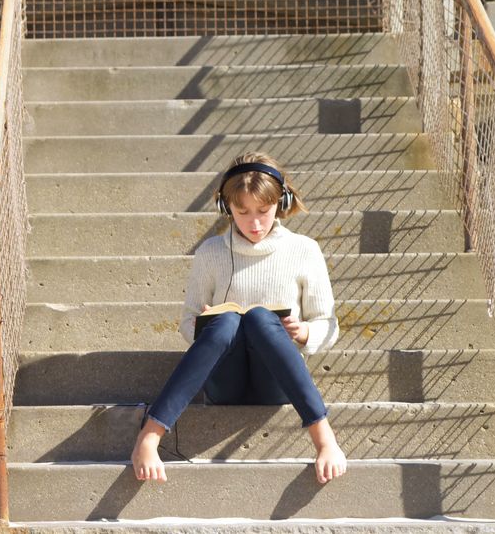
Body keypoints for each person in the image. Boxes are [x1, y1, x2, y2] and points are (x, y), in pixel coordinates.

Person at [130, 152, 348, 485]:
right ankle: (149, 437)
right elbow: (188, 320)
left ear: (282, 202)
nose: (255, 222)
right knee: (228, 321)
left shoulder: (304, 250)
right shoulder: (211, 253)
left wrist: (303, 332)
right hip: (224, 381)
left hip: (277, 380)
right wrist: (205, 329)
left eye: (263, 210)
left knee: (260, 318)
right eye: (242, 211)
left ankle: (325, 440)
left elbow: (328, 324)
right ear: (226, 207)